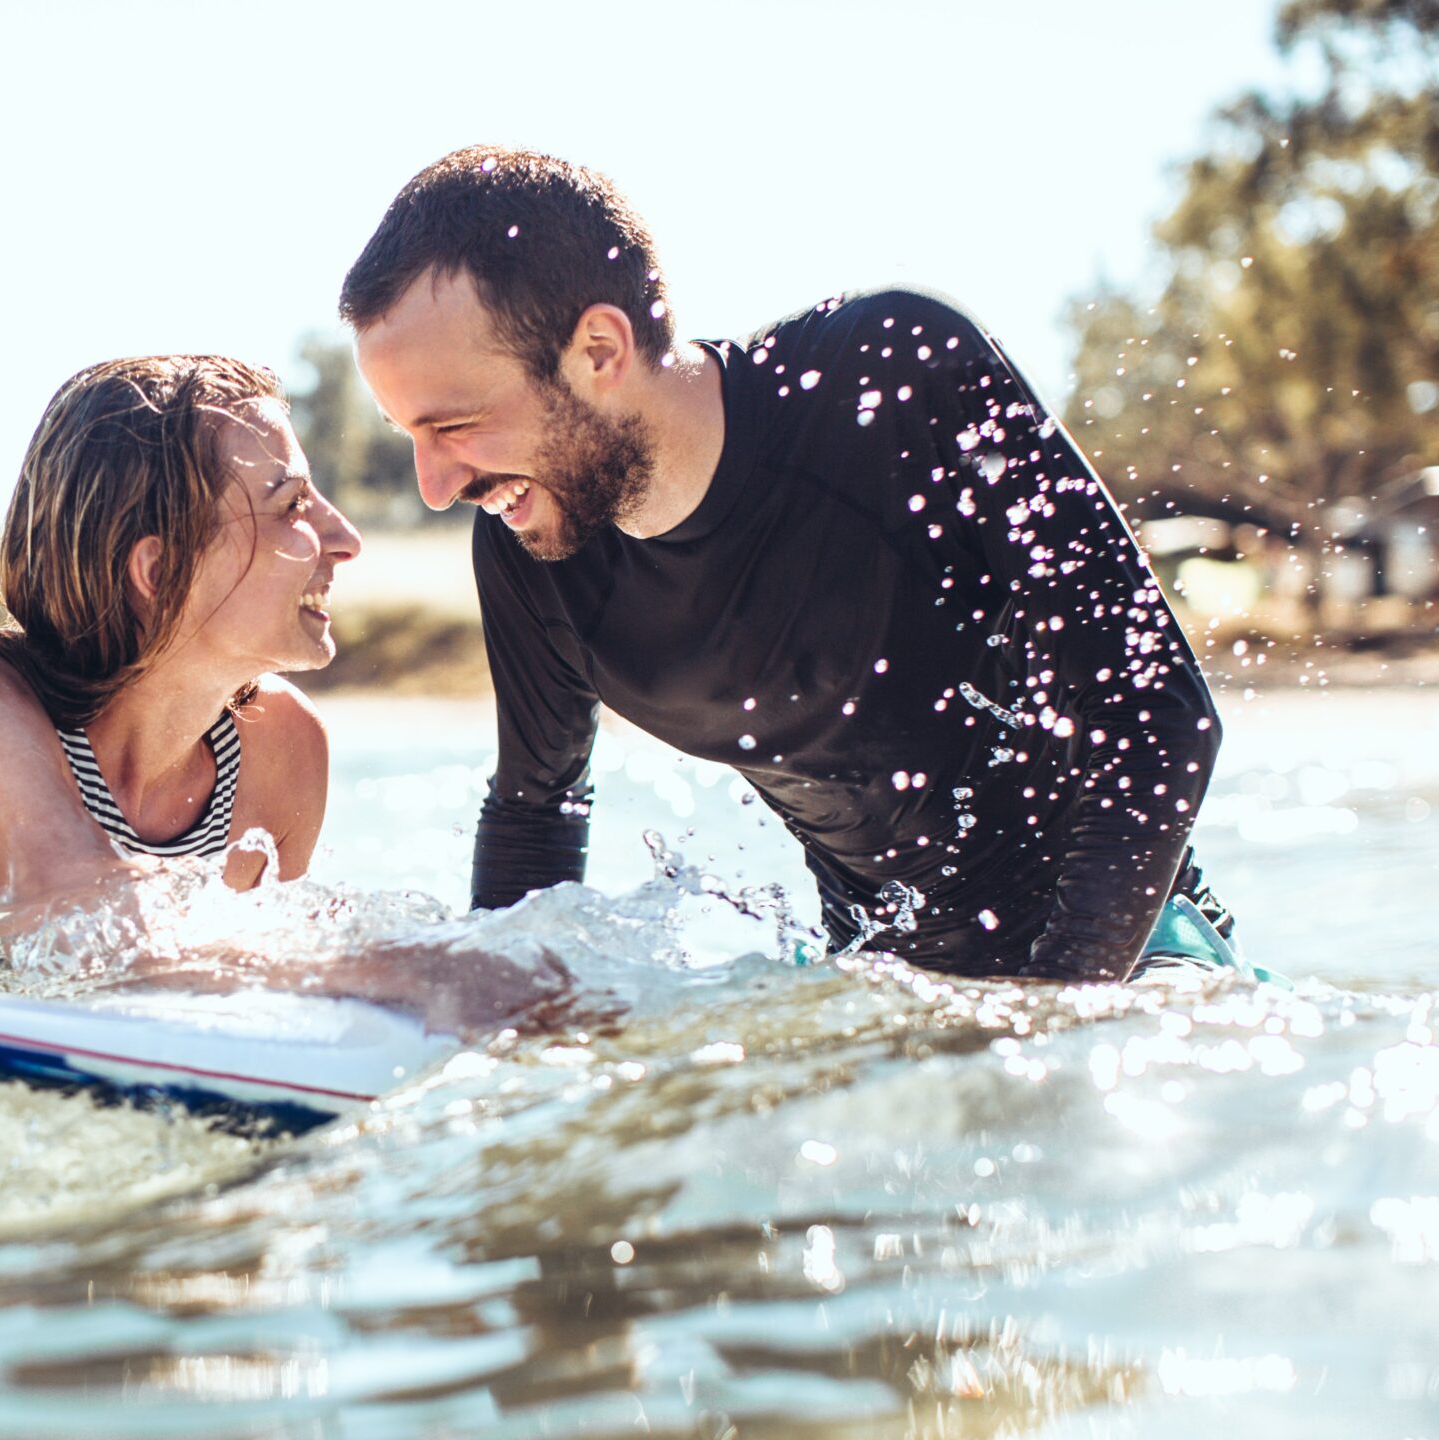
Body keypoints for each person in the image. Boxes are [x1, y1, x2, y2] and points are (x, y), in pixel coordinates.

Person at [339, 145, 1235, 983]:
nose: (433, 484)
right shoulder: (535, 544)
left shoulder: (887, 377)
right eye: (408, 435)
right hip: (879, 981)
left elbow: (1158, 712)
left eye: (451, 425)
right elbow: (536, 815)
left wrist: (1058, 1007)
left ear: (599, 352)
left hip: (1133, 950)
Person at [0, 355, 362, 966]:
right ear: (160, 572)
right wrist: (417, 975)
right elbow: (82, 935)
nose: (344, 539)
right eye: (292, 505)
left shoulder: (281, 747)